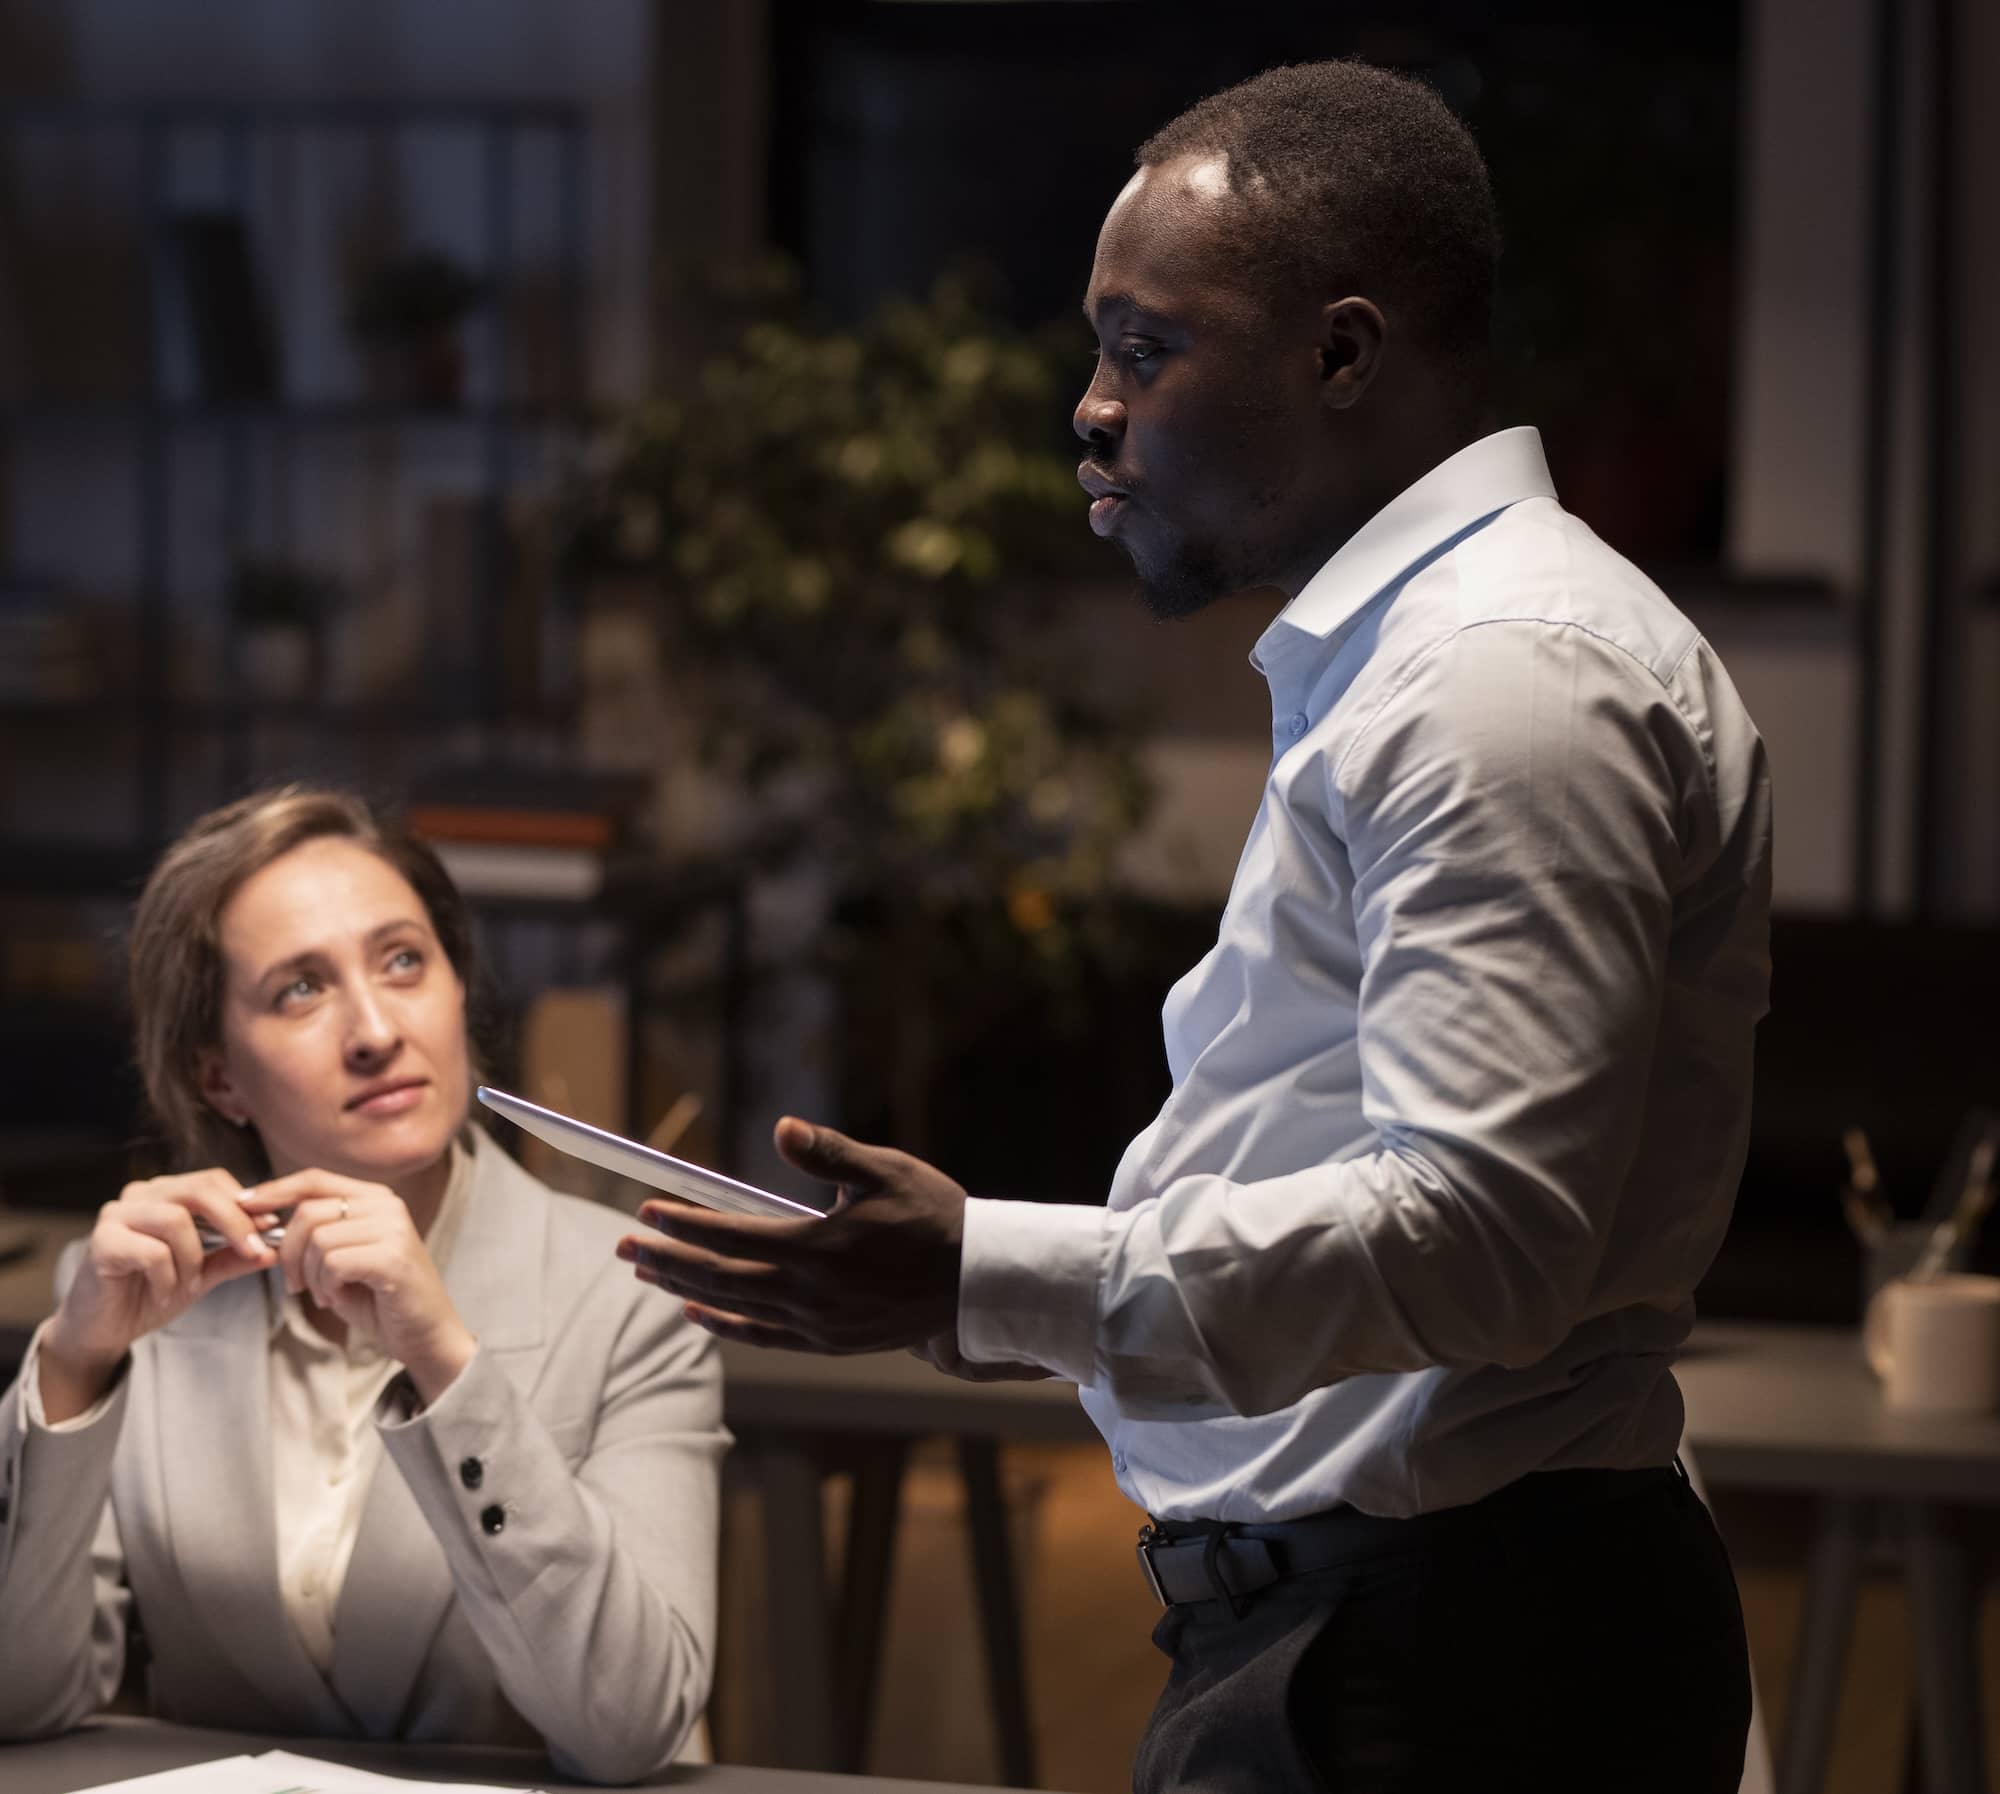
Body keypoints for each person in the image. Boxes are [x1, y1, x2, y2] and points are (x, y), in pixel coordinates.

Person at [619, 58, 1769, 1794]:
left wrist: (980, 1270)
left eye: (1145, 351)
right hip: (1390, 1624)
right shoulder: (1429, 657)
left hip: (1447, 1660)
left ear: (1343, 355)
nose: (1089, 407)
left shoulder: (1501, 677)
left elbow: (1487, 1236)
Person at [0, 786, 725, 1784]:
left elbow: (630, 1726)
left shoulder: (630, 1297)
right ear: (218, 1079)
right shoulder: (138, 1298)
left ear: (457, 988)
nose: (376, 1029)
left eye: (403, 961)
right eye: (300, 989)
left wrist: (445, 1363)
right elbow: (17, 1701)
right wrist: (74, 1369)